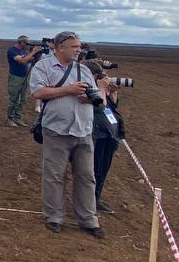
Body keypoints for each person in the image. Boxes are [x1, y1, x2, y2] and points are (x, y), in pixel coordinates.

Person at [29, 31, 104, 238]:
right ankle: (53, 217)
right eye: (74, 47)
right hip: (56, 130)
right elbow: (38, 92)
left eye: (80, 47)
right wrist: (69, 90)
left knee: (87, 177)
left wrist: (89, 98)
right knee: (54, 176)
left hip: (83, 130)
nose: (79, 50)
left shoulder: (84, 70)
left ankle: (88, 220)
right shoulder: (43, 67)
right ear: (60, 47)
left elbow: (96, 95)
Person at [84, 60, 124, 215]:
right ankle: (88, 202)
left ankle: (96, 198)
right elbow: (100, 107)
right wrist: (101, 89)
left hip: (109, 134)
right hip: (96, 135)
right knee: (93, 170)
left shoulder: (101, 88)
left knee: (103, 169)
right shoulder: (87, 89)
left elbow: (112, 106)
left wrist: (112, 92)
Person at [5, 35, 44, 128]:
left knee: (23, 99)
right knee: (15, 99)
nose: (28, 45)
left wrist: (36, 56)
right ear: (21, 42)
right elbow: (22, 61)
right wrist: (33, 52)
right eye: (26, 43)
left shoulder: (23, 51)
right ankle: (10, 119)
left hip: (25, 77)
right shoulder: (12, 50)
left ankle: (17, 118)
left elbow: (28, 60)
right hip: (15, 78)